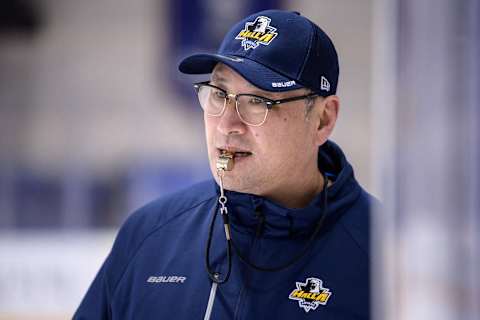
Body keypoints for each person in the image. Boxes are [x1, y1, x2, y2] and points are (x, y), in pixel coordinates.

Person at [74, 9, 372, 319]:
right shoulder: (149, 234)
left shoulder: (382, 256)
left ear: (323, 119)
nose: (227, 124)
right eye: (218, 93)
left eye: (258, 101)